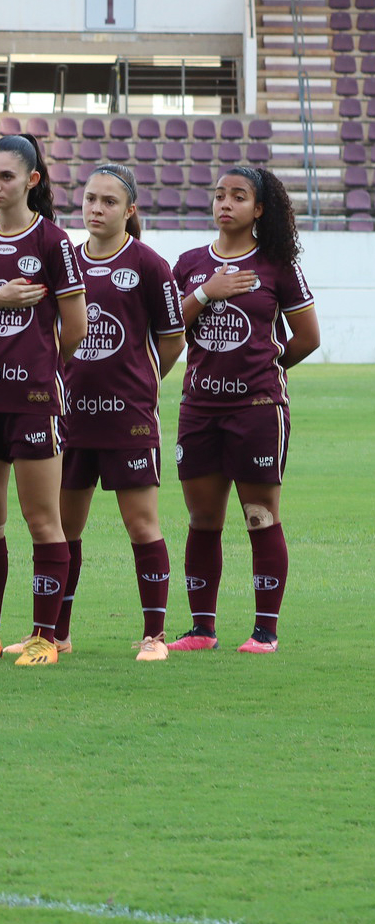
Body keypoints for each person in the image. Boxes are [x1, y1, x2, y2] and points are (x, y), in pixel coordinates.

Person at [169, 166, 319, 654]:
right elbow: (169, 330)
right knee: (202, 518)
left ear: (259, 209)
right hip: (199, 408)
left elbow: (307, 338)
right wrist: (205, 293)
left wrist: (268, 369)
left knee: (260, 515)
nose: (225, 203)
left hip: (256, 409)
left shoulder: (277, 265)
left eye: (238, 196)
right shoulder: (190, 263)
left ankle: (265, 631)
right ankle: (202, 629)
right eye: (219, 195)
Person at [0, 133, 85, 666]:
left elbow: (75, 327)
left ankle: (44, 637)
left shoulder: (53, 243)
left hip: (33, 402)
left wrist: (40, 367)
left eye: (5, 176)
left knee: (42, 521)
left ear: (31, 181)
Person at [56, 165, 185, 661]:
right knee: (63, 530)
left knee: (141, 526)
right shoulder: (65, 260)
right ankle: (56, 634)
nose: (96, 209)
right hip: (69, 418)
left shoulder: (150, 265)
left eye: (109, 202)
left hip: (127, 419)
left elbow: (172, 338)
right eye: (90, 199)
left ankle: (155, 637)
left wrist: (145, 384)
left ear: (129, 211)